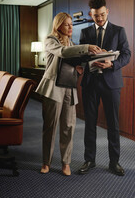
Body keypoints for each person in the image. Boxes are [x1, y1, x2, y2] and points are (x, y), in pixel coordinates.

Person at [35, 12, 101, 176]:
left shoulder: (71, 42)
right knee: (50, 127)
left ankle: (66, 163)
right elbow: (64, 53)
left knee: (68, 127)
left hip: (70, 88)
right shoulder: (51, 40)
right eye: (67, 25)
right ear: (58, 26)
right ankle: (46, 162)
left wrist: (86, 64)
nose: (71, 27)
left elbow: (74, 62)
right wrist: (86, 47)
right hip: (53, 88)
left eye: (72, 24)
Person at [78, 0, 131, 176]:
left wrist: (112, 64)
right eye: (95, 16)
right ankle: (89, 160)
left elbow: (126, 55)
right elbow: (80, 57)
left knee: (113, 124)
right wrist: (86, 54)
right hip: (90, 83)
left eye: (102, 15)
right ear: (90, 14)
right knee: (90, 124)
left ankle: (114, 162)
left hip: (111, 83)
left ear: (107, 11)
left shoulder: (118, 31)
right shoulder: (85, 33)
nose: (99, 19)